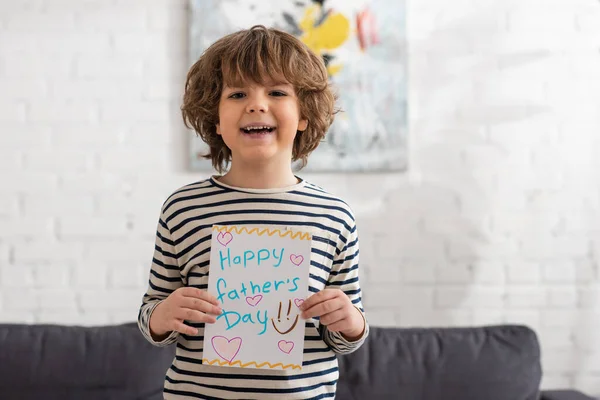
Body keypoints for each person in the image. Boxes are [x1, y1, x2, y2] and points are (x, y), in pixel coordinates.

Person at [138, 25, 369, 399]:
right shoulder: (184, 209)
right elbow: (151, 316)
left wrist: (352, 322)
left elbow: (346, 335)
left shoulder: (333, 215)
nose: (257, 104)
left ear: (304, 115)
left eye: (277, 92)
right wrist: (164, 316)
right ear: (215, 118)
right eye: (238, 93)